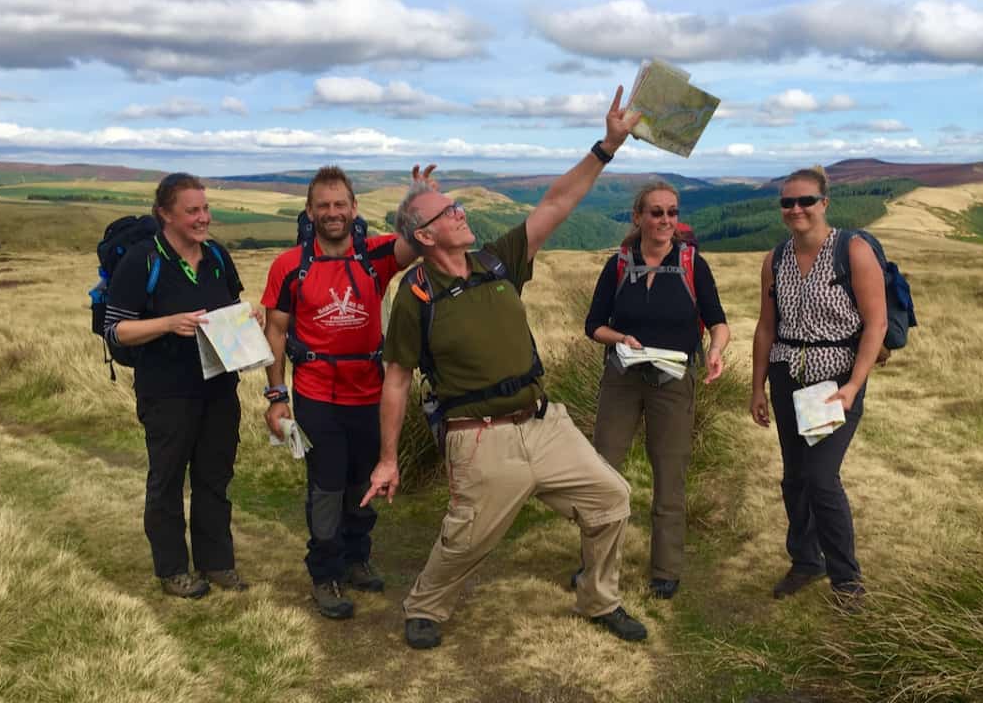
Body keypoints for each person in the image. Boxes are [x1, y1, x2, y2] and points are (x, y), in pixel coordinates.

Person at [362, 86, 649, 650]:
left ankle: (599, 598)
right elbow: (396, 381)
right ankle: (426, 605)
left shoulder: (498, 260)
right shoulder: (415, 296)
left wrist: (606, 147)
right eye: (448, 212)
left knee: (611, 499)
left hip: (545, 424)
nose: (460, 211)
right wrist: (389, 459)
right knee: (468, 540)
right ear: (424, 236)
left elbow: (555, 203)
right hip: (479, 439)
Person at [260, 165, 424, 620]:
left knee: (362, 482)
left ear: (354, 209)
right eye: (323, 206)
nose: (332, 213)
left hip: (371, 393)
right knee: (327, 487)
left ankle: (356, 557)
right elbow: (276, 332)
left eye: (340, 205)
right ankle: (325, 573)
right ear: (310, 211)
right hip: (317, 395)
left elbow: (422, 241)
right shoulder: (288, 266)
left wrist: (418, 199)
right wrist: (276, 397)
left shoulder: (377, 255)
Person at [105, 172, 255, 599]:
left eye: (205, 208)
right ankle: (173, 569)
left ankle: (217, 562)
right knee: (167, 481)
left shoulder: (218, 257)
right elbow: (116, 331)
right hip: (166, 392)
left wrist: (249, 319)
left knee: (214, 478)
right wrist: (169, 324)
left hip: (219, 389)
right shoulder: (143, 261)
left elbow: (229, 308)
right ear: (165, 214)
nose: (203, 217)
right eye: (192, 210)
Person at [583, 181, 730, 600]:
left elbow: (717, 320)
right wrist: (620, 339)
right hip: (622, 377)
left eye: (671, 212)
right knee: (602, 473)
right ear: (638, 217)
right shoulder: (618, 264)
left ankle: (666, 570)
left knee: (670, 475)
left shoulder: (691, 263)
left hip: (673, 380)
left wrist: (716, 351)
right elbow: (594, 324)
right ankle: (595, 563)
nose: (665, 220)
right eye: (656, 212)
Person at [748, 165, 886, 609]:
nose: (795, 209)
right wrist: (757, 388)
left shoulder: (854, 250)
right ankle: (807, 561)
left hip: (834, 380)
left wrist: (853, 385)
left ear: (824, 203)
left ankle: (847, 581)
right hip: (788, 375)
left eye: (806, 201)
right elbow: (766, 328)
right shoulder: (776, 259)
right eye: (787, 202)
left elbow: (876, 323)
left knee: (821, 478)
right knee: (795, 478)